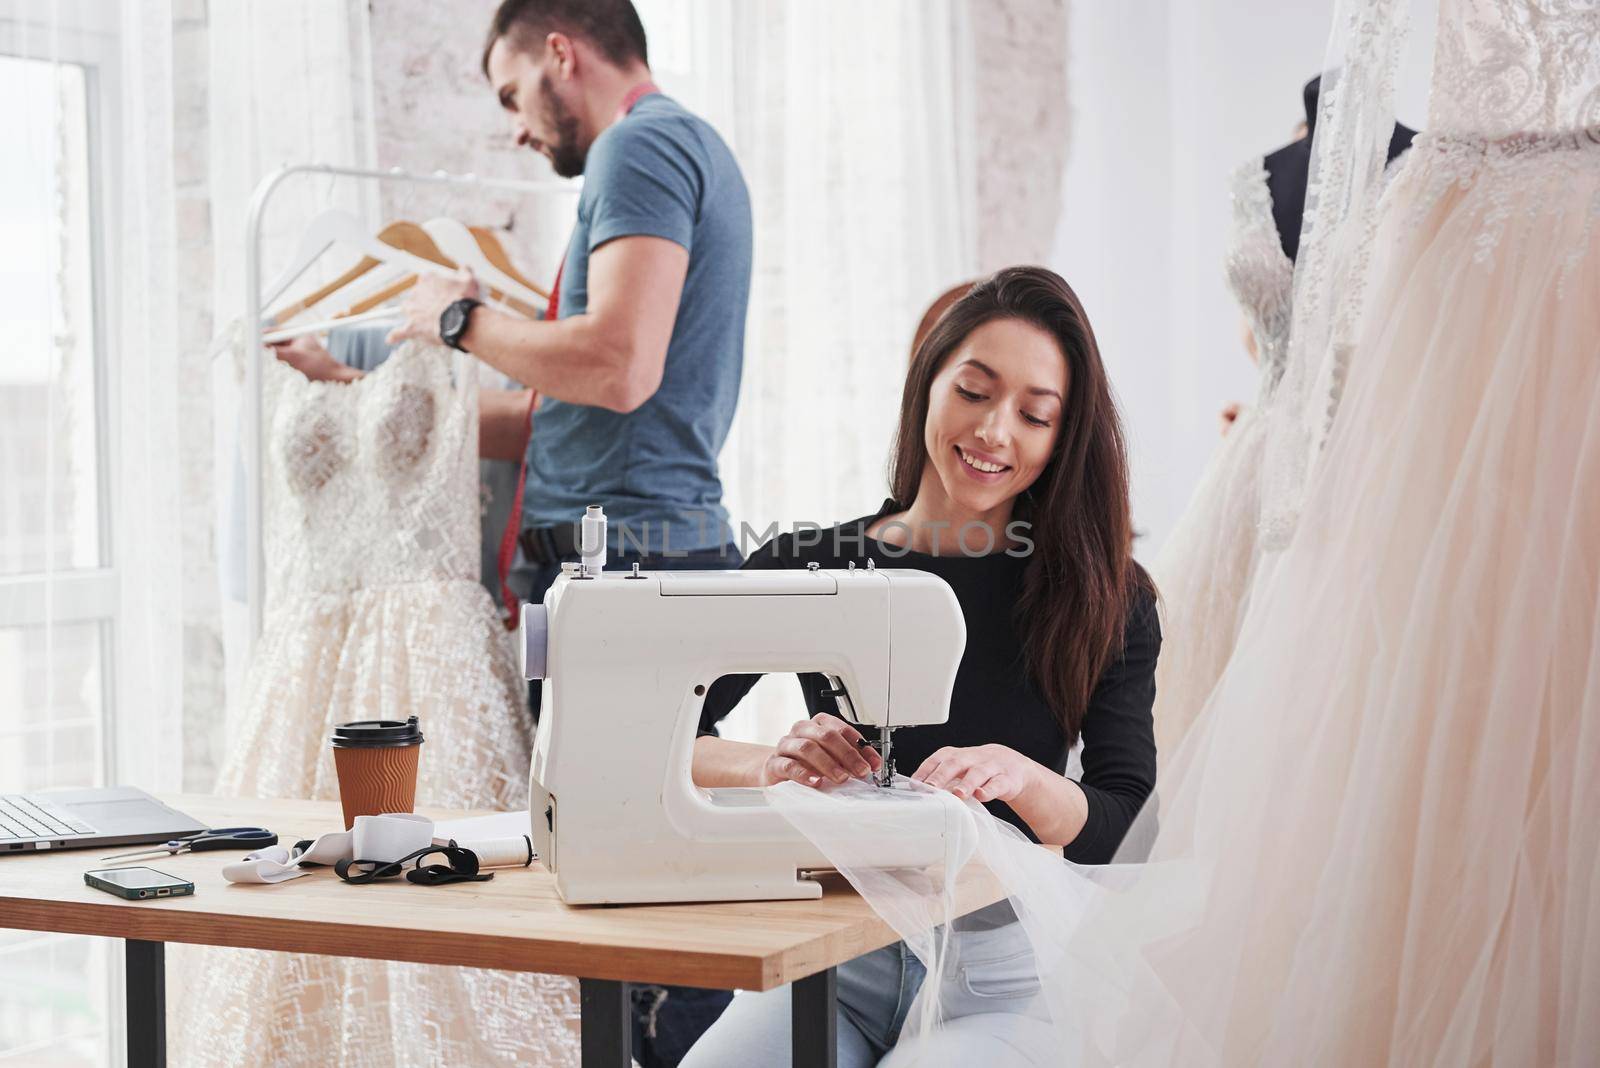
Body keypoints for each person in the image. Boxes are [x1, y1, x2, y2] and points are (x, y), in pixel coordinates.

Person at [681, 266, 1161, 1066]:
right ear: (928, 384)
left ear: (1062, 435)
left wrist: (1022, 779)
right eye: (973, 391)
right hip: (836, 955)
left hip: (1001, 974)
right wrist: (770, 763)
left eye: (1035, 415)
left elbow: (1125, 821)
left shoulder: (1105, 597)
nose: (995, 431)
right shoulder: (814, 563)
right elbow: (664, 730)